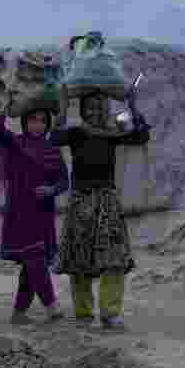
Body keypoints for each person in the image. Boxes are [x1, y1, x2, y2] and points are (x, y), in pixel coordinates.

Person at [49, 91, 151, 330]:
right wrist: (61, 114)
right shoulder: (76, 133)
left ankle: (110, 313)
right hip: (81, 201)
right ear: (83, 111)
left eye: (102, 107)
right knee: (78, 258)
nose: (97, 111)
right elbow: (53, 138)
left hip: (107, 201)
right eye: (91, 107)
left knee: (114, 258)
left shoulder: (111, 135)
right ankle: (83, 313)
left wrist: (133, 107)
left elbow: (142, 135)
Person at [0, 101, 70, 325]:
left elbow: (64, 181)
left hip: (42, 214)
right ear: (25, 122)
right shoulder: (16, 143)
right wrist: (2, 110)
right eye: (33, 120)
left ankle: (19, 313)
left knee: (32, 264)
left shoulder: (52, 151)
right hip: (20, 213)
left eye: (42, 121)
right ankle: (52, 307)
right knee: (34, 258)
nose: (38, 125)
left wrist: (51, 189)